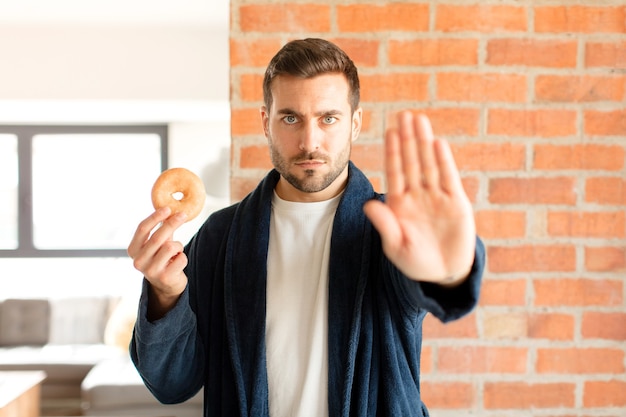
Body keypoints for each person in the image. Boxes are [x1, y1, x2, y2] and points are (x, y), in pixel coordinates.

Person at [128, 38, 485, 417]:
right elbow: (171, 384)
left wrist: (450, 270)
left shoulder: (391, 229)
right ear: (266, 122)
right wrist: (165, 295)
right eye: (290, 118)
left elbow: (433, 281)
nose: (309, 141)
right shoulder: (220, 236)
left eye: (328, 118)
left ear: (355, 123)